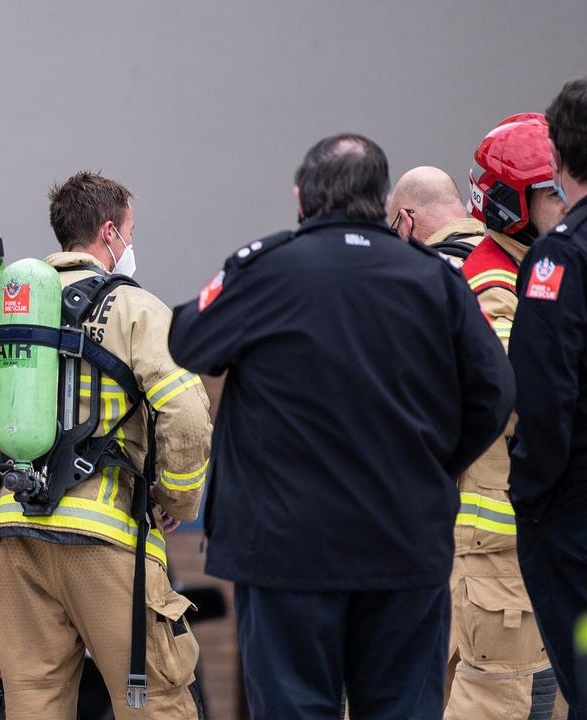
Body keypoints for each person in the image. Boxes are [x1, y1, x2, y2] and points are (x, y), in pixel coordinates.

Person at [168, 134, 515, 719]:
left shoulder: (265, 269)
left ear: (302, 199)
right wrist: (438, 464)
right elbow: (496, 390)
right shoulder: (435, 280)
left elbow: (188, 339)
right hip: (405, 545)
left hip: (286, 552)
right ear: (381, 201)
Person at [0, 171, 212, 719]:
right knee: (155, 702)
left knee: (33, 704)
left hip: (20, 538)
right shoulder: (137, 311)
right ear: (109, 232)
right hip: (106, 540)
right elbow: (188, 415)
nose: (131, 244)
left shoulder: (10, 313)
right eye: (129, 231)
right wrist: (176, 500)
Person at [446, 112, 569, 720]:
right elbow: (522, 401)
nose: (569, 200)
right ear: (511, 203)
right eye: (554, 191)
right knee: (508, 699)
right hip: (501, 541)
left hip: (518, 535)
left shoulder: (530, 266)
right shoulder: (499, 287)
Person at [508, 76, 587, 718]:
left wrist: (530, 496)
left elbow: (544, 396)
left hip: (573, 520)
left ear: (558, 160)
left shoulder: (558, 260)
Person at [388, 165, 487, 264]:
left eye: (396, 231)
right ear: (462, 209)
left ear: (406, 223)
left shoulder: (426, 274)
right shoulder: (499, 254)